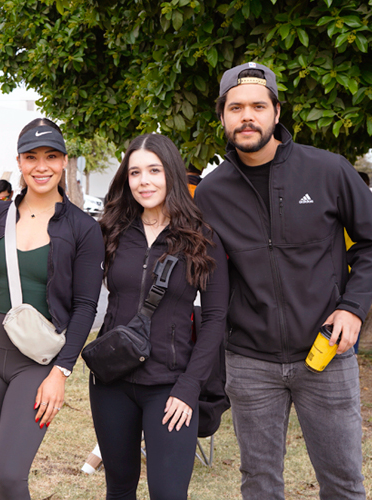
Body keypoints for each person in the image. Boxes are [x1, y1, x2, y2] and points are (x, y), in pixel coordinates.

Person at [195, 62, 372, 500]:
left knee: (343, 484)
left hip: (327, 355)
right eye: (236, 107)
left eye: (258, 106)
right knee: (260, 485)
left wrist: (353, 307)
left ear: (276, 112)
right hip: (249, 363)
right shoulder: (211, 192)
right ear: (223, 116)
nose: (247, 116)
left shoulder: (328, 170)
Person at [0, 118, 104, 499]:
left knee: (10, 473)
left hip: (38, 361)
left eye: (51, 156)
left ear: (64, 162)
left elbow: (87, 306)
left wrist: (61, 372)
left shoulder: (83, 228)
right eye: (32, 157)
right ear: (19, 162)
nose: (42, 166)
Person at [89, 133, 229, 500]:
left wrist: (189, 387)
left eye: (154, 170)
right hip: (111, 381)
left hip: (171, 386)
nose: (144, 181)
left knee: (168, 493)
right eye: (135, 172)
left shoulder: (201, 237)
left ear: (172, 173)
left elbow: (215, 318)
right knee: (119, 489)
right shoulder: (111, 231)